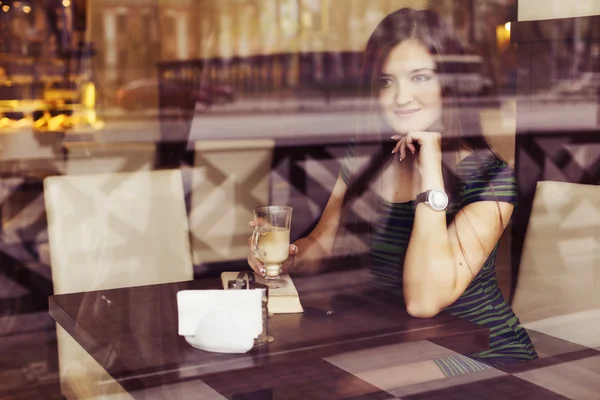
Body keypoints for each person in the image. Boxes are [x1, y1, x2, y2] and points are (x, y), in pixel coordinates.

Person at [247, 7, 538, 378]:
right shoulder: (367, 157)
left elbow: (423, 301)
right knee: (306, 376)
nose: (401, 98)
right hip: (402, 345)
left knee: (346, 386)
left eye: (419, 77)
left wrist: (430, 169)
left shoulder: (491, 176)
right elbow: (323, 243)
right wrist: (286, 260)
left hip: (486, 353)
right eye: (387, 82)